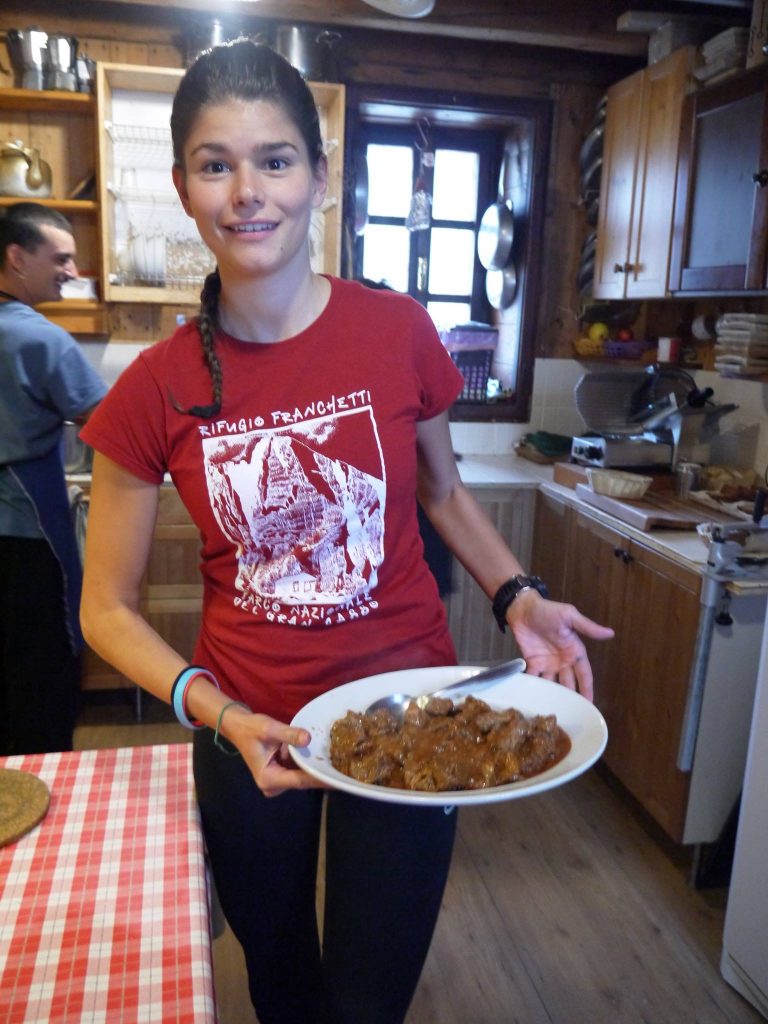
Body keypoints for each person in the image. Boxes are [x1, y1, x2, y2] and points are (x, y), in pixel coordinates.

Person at [79, 39, 614, 1024]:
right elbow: (104, 609)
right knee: (279, 980)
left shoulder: (398, 330)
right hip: (249, 730)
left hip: (414, 711)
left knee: (369, 1000)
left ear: (321, 176)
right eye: (215, 163)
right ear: (183, 187)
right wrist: (218, 712)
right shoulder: (154, 387)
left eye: (275, 159)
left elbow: (446, 495)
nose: (248, 191)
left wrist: (521, 597)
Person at [0, 202, 106, 755]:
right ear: (16, 258)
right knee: (39, 680)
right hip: (25, 537)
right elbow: (111, 424)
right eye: (60, 258)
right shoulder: (39, 340)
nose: (72, 271)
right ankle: (39, 797)